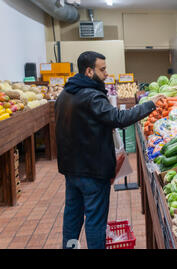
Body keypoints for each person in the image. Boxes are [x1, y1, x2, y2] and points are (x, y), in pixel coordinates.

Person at [55, 51, 166, 249]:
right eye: (102, 69)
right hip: (92, 172)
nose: (107, 73)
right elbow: (119, 118)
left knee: (72, 217)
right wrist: (150, 104)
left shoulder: (65, 94)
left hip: (71, 169)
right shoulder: (92, 97)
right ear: (89, 71)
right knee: (95, 221)